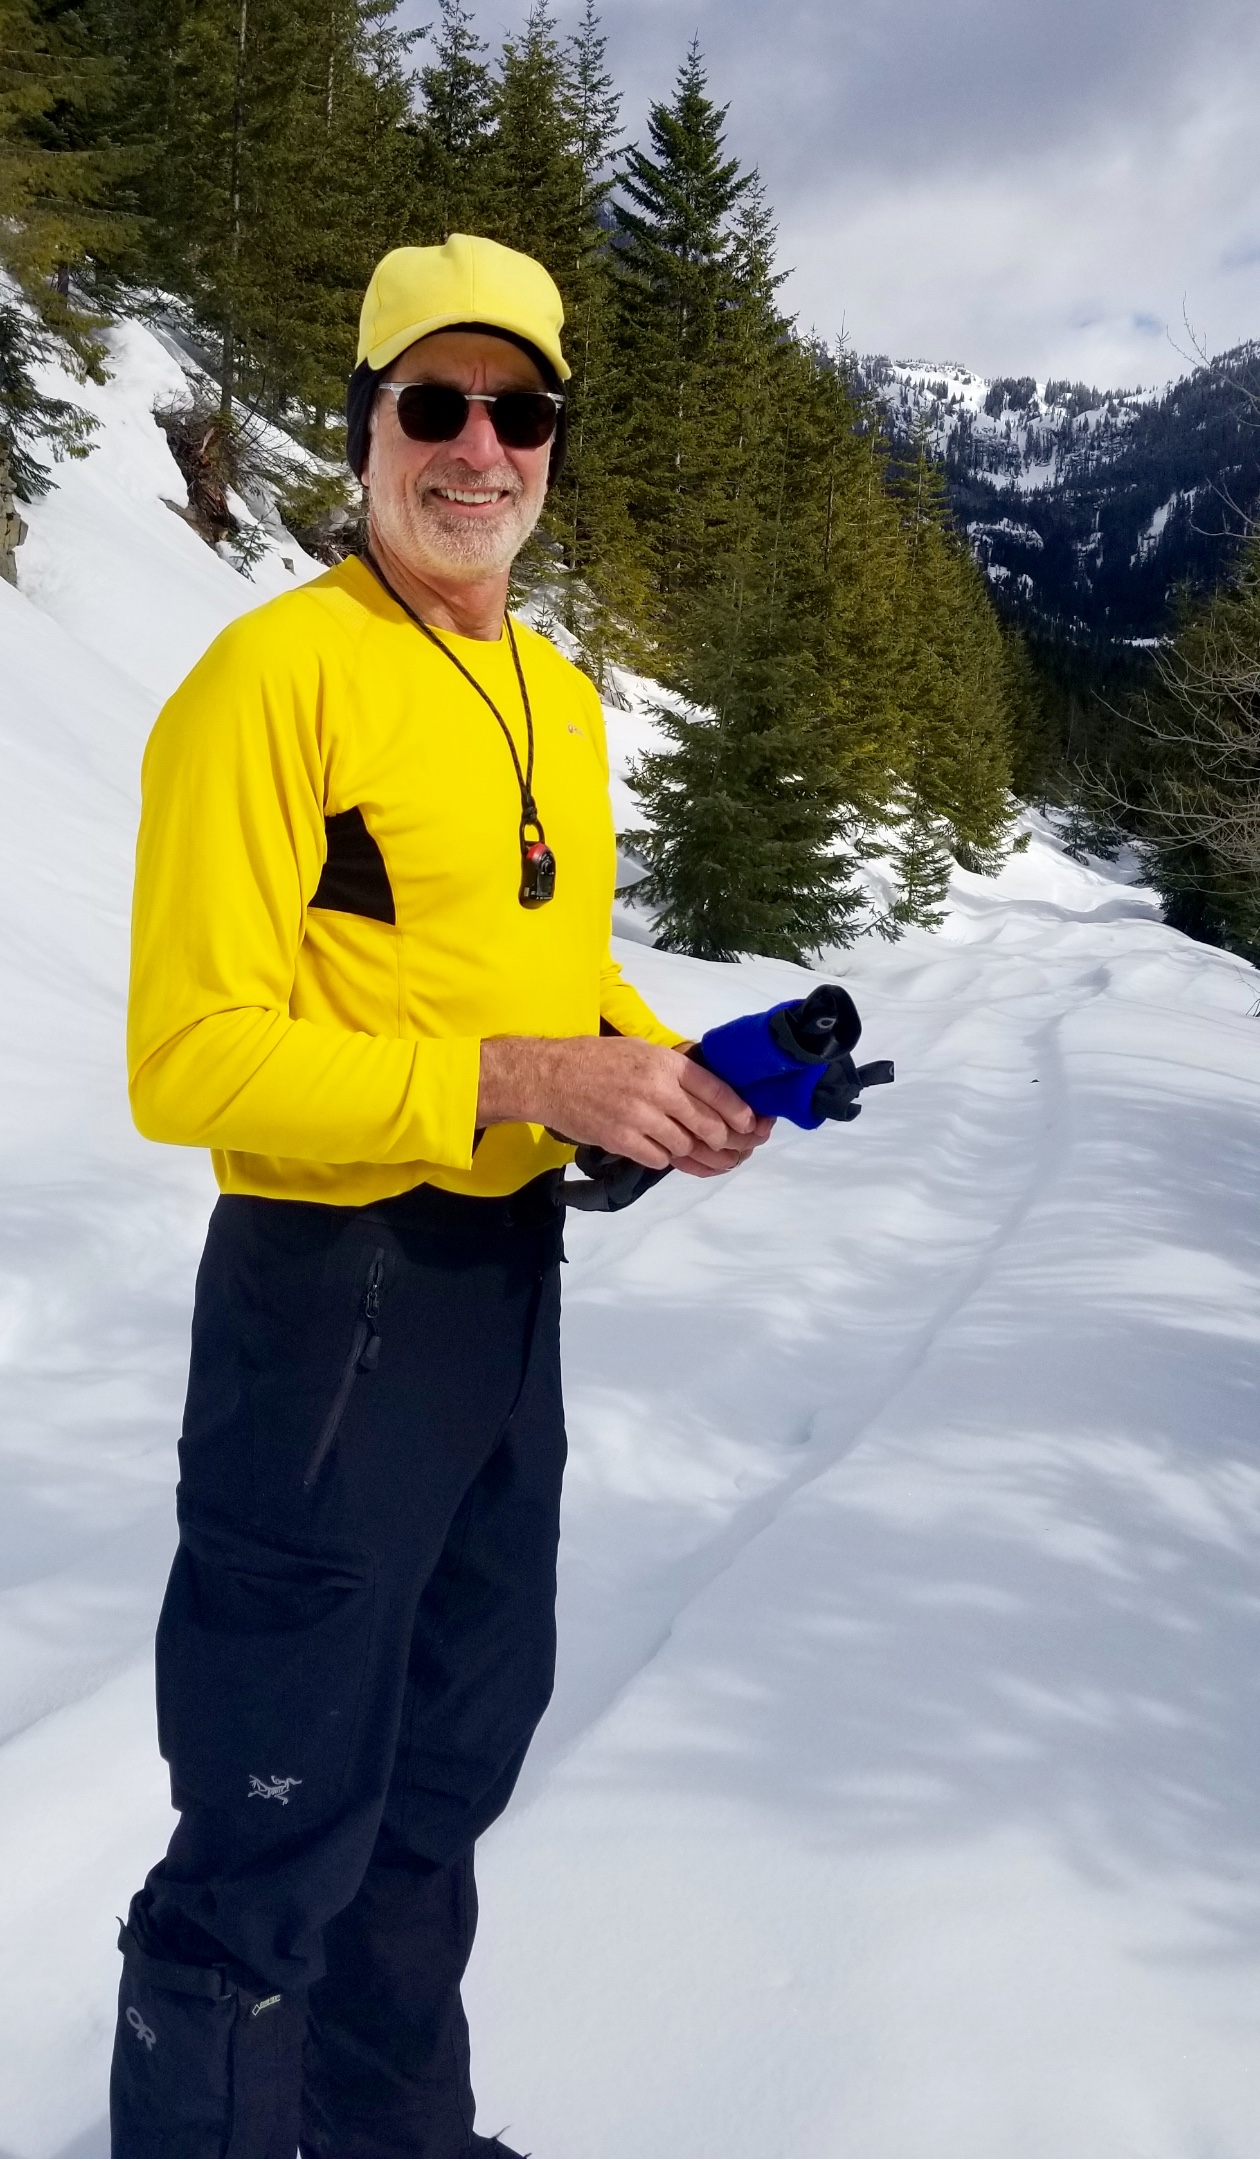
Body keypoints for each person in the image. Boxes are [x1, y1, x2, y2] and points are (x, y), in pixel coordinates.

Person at [110, 232, 771, 2159]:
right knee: (277, 1802)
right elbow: (189, 1062)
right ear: (367, 427)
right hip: (324, 1304)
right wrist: (515, 1081)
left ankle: (396, 2138)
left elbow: (548, 987)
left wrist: (663, 1078)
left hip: (500, 1295)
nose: (478, 449)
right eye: (436, 405)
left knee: (441, 1773)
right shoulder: (269, 682)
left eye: (521, 410)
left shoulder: (552, 692)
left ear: (555, 441)